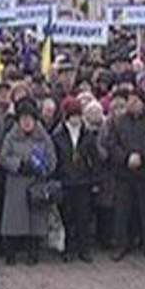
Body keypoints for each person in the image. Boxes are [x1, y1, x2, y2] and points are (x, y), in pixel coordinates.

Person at [108, 88, 145, 262]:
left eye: (135, 101)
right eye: (129, 101)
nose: (132, 104)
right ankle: (121, 245)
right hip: (124, 174)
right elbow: (112, 145)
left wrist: (143, 157)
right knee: (121, 213)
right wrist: (126, 158)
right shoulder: (118, 122)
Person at [0, 99, 56, 265]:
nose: (27, 122)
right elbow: (4, 157)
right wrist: (19, 165)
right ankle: (11, 253)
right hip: (16, 182)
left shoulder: (43, 137)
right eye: (23, 119)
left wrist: (42, 168)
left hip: (36, 183)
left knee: (36, 220)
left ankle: (33, 252)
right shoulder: (11, 136)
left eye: (30, 118)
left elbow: (52, 159)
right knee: (13, 220)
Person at [52, 97, 99, 263]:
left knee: (83, 217)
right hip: (65, 181)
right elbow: (55, 160)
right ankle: (69, 249)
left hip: (83, 182)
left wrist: (94, 181)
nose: (75, 119)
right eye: (72, 115)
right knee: (67, 217)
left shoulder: (88, 134)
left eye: (78, 115)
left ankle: (84, 249)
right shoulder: (58, 135)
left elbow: (95, 159)